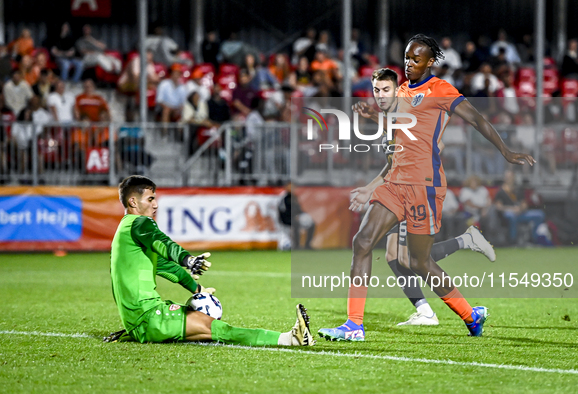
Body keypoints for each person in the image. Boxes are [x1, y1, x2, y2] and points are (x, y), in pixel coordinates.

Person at [318, 35, 534, 341]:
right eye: (406, 58)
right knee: (362, 242)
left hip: (425, 187)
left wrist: (507, 152)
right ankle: (354, 325)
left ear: (431, 62)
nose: (409, 64)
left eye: (416, 59)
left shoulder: (442, 90)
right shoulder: (402, 92)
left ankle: (471, 315)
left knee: (419, 262)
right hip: (395, 183)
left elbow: (478, 120)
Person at [326, 68, 495, 328]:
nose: (380, 96)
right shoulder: (390, 122)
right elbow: (392, 164)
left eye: (386, 90)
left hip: (420, 189)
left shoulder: (410, 112)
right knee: (374, 248)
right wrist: (370, 188)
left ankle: (466, 301)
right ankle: (359, 324)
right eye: (376, 90)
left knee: (413, 260)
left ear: (398, 90)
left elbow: (428, 140)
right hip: (396, 188)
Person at [106, 175, 314, 346]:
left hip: (142, 319)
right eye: (150, 199)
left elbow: (167, 267)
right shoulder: (140, 223)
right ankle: (289, 339)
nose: (156, 204)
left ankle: (291, 338)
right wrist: (187, 259)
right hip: (149, 318)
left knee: (208, 329)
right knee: (217, 328)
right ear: (133, 202)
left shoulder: (125, 234)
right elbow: (163, 243)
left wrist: (198, 290)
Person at [494, 170, 545, 245]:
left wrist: (520, 209)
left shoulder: (518, 189)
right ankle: (513, 241)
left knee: (539, 214)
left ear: (513, 178)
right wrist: (512, 209)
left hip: (520, 213)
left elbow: (524, 203)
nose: (508, 179)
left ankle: (533, 237)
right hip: (507, 214)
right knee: (511, 216)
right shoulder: (501, 191)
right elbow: (498, 207)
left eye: (510, 177)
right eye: (507, 177)